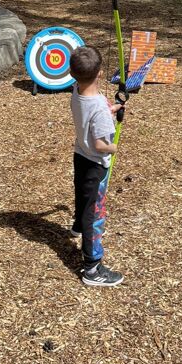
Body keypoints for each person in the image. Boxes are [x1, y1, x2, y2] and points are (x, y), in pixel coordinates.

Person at [69, 45, 123, 287]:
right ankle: (92, 268)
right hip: (95, 163)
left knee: (82, 195)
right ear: (100, 73)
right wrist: (115, 148)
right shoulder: (99, 110)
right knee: (95, 214)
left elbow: (92, 110)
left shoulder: (76, 89)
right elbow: (101, 144)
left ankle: (78, 226)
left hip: (80, 155)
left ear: (72, 74)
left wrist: (110, 109)